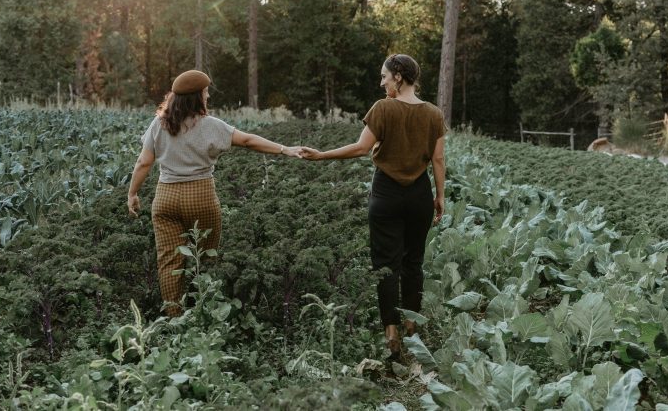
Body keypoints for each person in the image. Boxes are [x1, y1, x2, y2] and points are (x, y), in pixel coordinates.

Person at [301, 54, 446, 360]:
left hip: (386, 194)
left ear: (398, 76)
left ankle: (391, 334)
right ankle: (412, 328)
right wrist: (440, 196)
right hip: (420, 194)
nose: (381, 83)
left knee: (386, 266)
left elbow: (361, 148)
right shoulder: (434, 114)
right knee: (413, 263)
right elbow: (438, 160)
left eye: (384, 76)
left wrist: (321, 155)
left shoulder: (382, 108)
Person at [128, 70, 303, 317]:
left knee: (169, 262)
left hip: (165, 197)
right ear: (197, 97)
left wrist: (132, 194)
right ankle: (204, 313)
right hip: (200, 196)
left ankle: (174, 320)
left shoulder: (159, 124)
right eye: (206, 91)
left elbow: (143, 163)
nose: (208, 95)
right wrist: (285, 149)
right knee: (207, 258)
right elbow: (249, 141)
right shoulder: (211, 126)